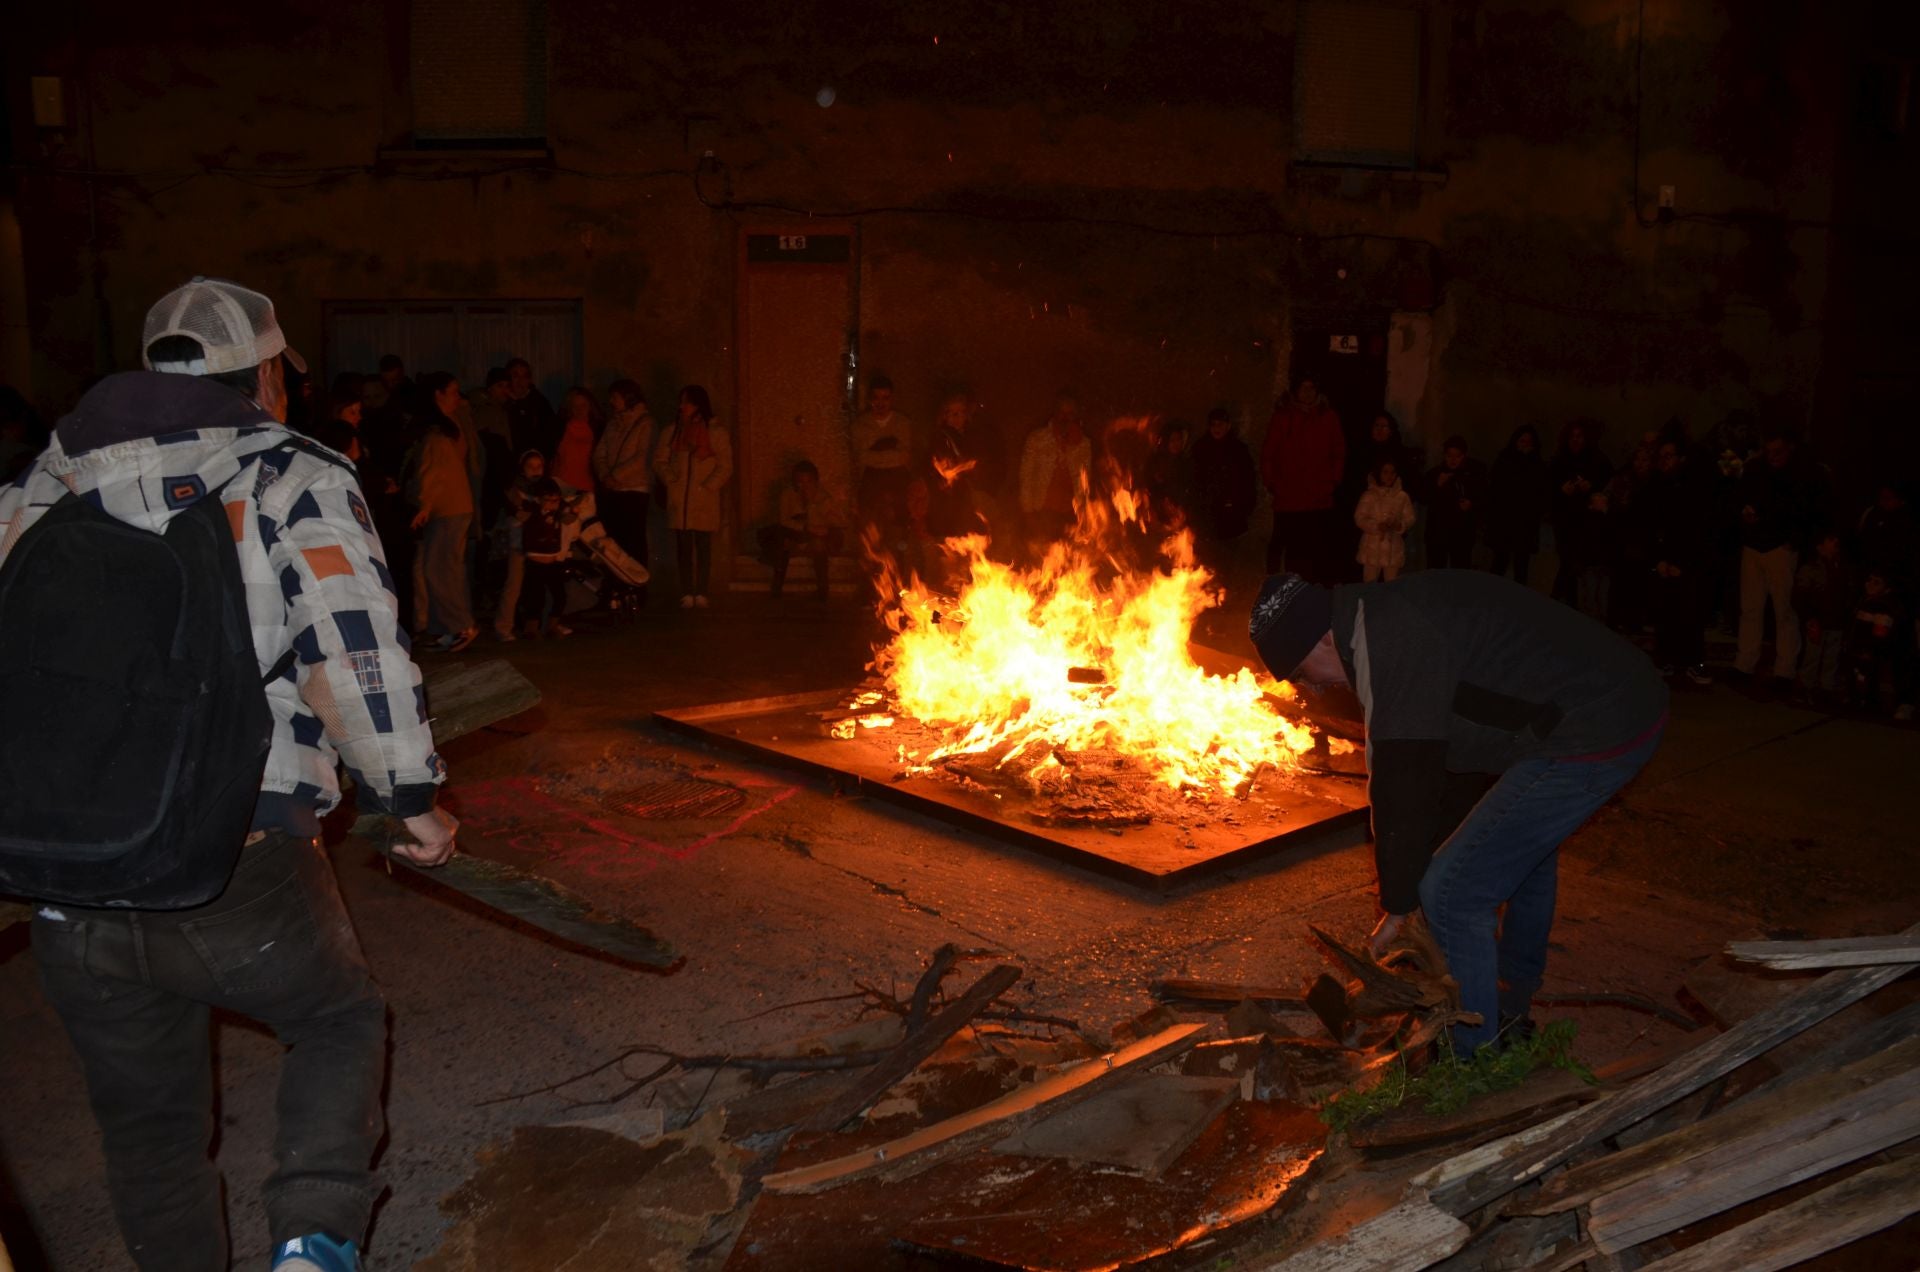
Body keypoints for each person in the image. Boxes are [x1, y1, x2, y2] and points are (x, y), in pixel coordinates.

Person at [0, 277, 456, 1272]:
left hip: (65, 876)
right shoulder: (289, 471)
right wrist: (408, 799)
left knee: (149, 1137)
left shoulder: (42, 484)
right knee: (337, 1019)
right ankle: (311, 1240)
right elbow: (354, 651)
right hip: (233, 853)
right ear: (260, 374)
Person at [1249, 569, 1666, 1053]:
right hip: (1604, 704)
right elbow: (1446, 763)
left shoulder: (1392, 641)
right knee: (1516, 856)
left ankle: (1471, 1055)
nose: (1313, 690)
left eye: (1301, 673)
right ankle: (1508, 1001)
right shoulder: (1380, 615)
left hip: (1598, 726)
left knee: (1451, 891)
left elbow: (1402, 779)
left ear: (1322, 639)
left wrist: (1401, 904)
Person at [1732, 431, 1819, 691]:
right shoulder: (1756, 470)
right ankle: (1744, 662)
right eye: (1769, 452)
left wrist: (1793, 540)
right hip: (1754, 545)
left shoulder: (1801, 474)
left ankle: (1785, 669)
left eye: (1778, 452)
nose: (1773, 457)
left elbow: (1804, 510)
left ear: (1789, 449)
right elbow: (1740, 497)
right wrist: (1745, 514)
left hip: (1780, 547)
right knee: (1750, 607)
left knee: (1784, 610)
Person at [406, 372, 479, 651]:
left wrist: (424, 504)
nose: (458, 398)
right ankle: (445, 629)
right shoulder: (448, 428)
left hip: (447, 509)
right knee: (443, 568)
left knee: (440, 570)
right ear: (437, 394)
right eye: (453, 392)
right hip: (452, 506)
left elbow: (431, 472)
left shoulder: (439, 432)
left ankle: (460, 625)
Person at [652, 384, 732, 608]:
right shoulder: (672, 431)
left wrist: (709, 486)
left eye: (686, 402)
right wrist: (671, 480)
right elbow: (659, 460)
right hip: (681, 499)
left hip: (703, 498)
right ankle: (687, 591)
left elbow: (726, 465)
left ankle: (702, 591)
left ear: (699, 405)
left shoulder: (715, 433)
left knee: (704, 547)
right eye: (681, 402)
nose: (682, 407)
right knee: (684, 548)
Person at [1260, 378, 1346, 583]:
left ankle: (1313, 590)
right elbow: (1269, 453)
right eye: (1303, 388)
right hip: (1288, 496)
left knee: (1315, 548)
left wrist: (1332, 481)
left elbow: (1338, 451)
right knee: (1288, 547)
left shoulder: (1328, 417)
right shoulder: (1283, 417)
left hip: (1318, 496)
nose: (1307, 392)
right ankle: (1285, 590)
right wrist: (1273, 483)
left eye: (1311, 388)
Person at [1647, 438, 1713, 684]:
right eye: (1661, 456)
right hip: (1664, 562)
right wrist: (1659, 560)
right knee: (1664, 613)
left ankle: (1694, 662)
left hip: (1686, 563)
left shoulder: (1693, 490)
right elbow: (1650, 527)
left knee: (1689, 613)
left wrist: (1683, 563)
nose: (1665, 461)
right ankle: (1665, 659)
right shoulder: (1656, 488)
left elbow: (1696, 530)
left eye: (1670, 456)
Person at [593, 379, 654, 606]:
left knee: (634, 540)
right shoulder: (612, 424)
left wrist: (615, 476)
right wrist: (604, 475)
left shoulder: (645, 423)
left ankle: (637, 586)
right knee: (614, 542)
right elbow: (599, 453)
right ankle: (617, 586)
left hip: (634, 489)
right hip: (612, 490)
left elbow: (641, 458)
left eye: (615, 397)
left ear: (627, 397)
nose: (611, 401)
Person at [758, 459, 847, 599]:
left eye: (808, 482)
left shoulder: (824, 497)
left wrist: (814, 505)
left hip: (818, 536)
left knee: (819, 545)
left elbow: (838, 521)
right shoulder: (788, 495)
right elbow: (784, 520)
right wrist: (804, 526)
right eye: (800, 482)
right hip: (797, 533)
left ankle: (823, 589)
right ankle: (777, 586)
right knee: (782, 540)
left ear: (816, 481)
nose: (804, 486)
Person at [1187, 408, 1256, 583]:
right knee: (1207, 557)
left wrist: (1244, 507)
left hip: (1232, 514)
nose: (1217, 428)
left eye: (1221, 424)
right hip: (1207, 514)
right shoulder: (1200, 449)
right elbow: (1193, 481)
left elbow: (1248, 481)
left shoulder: (1239, 450)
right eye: (1213, 425)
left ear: (1228, 426)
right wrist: (1196, 509)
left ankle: (1225, 594)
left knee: (1228, 558)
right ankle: (1207, 594)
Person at [1018, 392, 1092, 553]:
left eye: (1071, 414)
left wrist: (1084, 514)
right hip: (1042, 510)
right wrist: (1028, 511)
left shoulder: (1083, 444)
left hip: (1070, 513)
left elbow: (1084, 482)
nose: (1066, 418)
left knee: (1070, 559)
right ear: (1055, 412)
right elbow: (1026, 477)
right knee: (1043, 556)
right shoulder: (1038, 438)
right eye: (1062, 413)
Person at [1548, 422, 1613, 605]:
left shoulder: (1598, 461)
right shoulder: (1559, 461)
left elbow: (1607, 483)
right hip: (1564, 519)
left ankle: (1562, 601)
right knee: (1568, 560)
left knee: (1574, 562)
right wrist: (1562, 491)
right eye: (1572, 436)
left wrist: (1591, 487)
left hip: (1587, 522)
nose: (1575, 440)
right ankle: (1566, 602)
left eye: (1579, 436)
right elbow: (1548, 489)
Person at [1794, 529, 1857, 708]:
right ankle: (1806, 687)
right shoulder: (1811, 569)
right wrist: (1809, 617)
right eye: (1830, 540)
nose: (1835, 543)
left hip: (1836, 621)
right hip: (1818, 621)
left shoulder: (1844, 568)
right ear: (1820, 546)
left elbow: (1849, 593)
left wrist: (1846, 614)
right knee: (1812, 656)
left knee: (1831, 657)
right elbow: (1801, 595)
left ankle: (1825, 689)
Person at [1604, 445, 1659, 633]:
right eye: (1638, 459)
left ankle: (1633, 620)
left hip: (1643, 540)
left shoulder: (1655, 483)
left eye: (1645, 460)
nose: (1640, 464)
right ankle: (1617, 620)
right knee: (1621, 581)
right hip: (1623, 539)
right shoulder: (1624, 481)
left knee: (1638, 583)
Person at [1485, 425, 1549, 585]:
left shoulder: (1537, 465)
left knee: (1522, 565)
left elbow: (1540, 492)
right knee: (1500, 561)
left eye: (1528, 441)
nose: (1525, 444)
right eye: (1522, 441)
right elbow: (1495, 489)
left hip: (1525, 524)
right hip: (1504, 521)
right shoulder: (1504, 460)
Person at [1847, 569, 1915, 719]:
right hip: (1861, 651)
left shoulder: (1883, 606)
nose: (1870, 584)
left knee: (1869, 680)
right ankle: (1861, 702)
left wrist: (1870, 650)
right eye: (1869, 580)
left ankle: (1871, 706)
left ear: (1887, 589)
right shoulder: (1866, 601)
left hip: (1871, 653)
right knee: (1860, 678)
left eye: (1876, 583)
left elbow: (1880, 633)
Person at [517, 477, 578, 638]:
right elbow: (518, 506)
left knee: (560, 595)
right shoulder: (532, 509)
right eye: (548, 500)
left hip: (553, 561)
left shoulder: (559, 510)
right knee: (535, 597)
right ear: (538, 499)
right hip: (535, 561)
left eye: (556, 500)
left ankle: (552, 627)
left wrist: (572, 510)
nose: (552, 503)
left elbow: (570, 517)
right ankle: (531, 629)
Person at [851, 375, 912, 538]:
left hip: (897, 482)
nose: (881, 403)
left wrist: (875, 452)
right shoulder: (860, 425)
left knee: (900, 525)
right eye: (876, 397)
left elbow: (904, 457)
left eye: (885, 398)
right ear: (870, 399)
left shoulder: (902, 423)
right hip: (870, 484)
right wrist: (890, 449)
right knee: (870, 527)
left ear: (892, 399)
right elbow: (862, 458)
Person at [925, 392, 990, 537]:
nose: (957, 417)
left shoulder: (972, 435)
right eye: (953, 413)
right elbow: (944, 467)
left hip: (971, 497)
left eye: (960, 413)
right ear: (944, 416)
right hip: (948, 500)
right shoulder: (941, 438)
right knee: (952, 537)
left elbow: (980, 463)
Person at [1423, 435, 1486, 571]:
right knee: (1436, 572)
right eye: (1449, 455)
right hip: (1438, 534)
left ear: (1464, 456)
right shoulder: (1435, 474)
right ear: (1444, 455)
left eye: (1457, 456)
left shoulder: (1473, 475)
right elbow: (1423, 498)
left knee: (1460, 573)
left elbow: (1483, 498)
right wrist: (1437, 485)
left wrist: (1471, 504)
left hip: (1462, 534)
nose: (1453, 459)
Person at [1354, 458, 1415, 582]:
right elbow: (1359, 517)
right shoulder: (1369, 495)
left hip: (1393, 549)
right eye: (1385, 472)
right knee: (1370, 585)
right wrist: (1376, 526)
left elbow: (1410, 518)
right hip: (1372, 548)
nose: (1389, 476)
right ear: (1379, 473)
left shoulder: (1402, 496)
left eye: (1393, 472)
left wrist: (1399, 525)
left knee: (1392, 586)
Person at [503, 357, 558, 461]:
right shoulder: (503, 403)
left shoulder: (540, 403)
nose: (520, 381)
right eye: (516, 376)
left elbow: (550, 435)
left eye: (525, 376)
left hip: (534, 463)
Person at [552, 387, 600, 496]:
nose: (579, 409)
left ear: (590, 407)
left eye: (583, 405)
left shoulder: (597, 430)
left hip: (587, 488)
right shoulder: (560, 428)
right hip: (561, 486)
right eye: (575, 406)